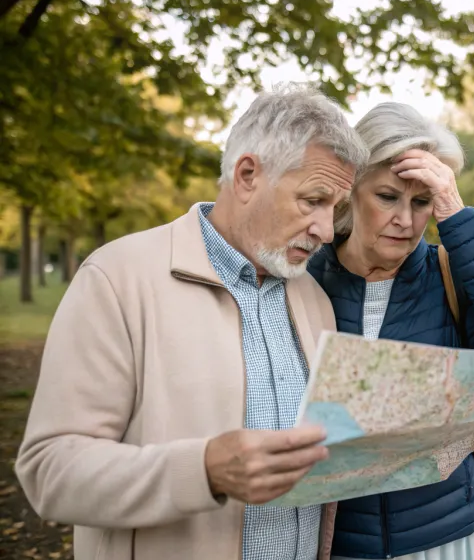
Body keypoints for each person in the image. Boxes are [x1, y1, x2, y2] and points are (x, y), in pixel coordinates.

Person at [15, 84, 370, 560]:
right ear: (247, 175)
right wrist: (202, 470)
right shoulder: (116, 278)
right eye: (313, 200)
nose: (327, 230)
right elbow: (49, 471)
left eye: (335, 210)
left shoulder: (313, 298)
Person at [307, 102, 474, 560]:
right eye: (387, 197)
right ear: (351, 188)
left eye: (421, 202)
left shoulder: (449, 270)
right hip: (336, 541)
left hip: (446, 535)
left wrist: (455, 213)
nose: (406, 220)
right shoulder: (304, 279)